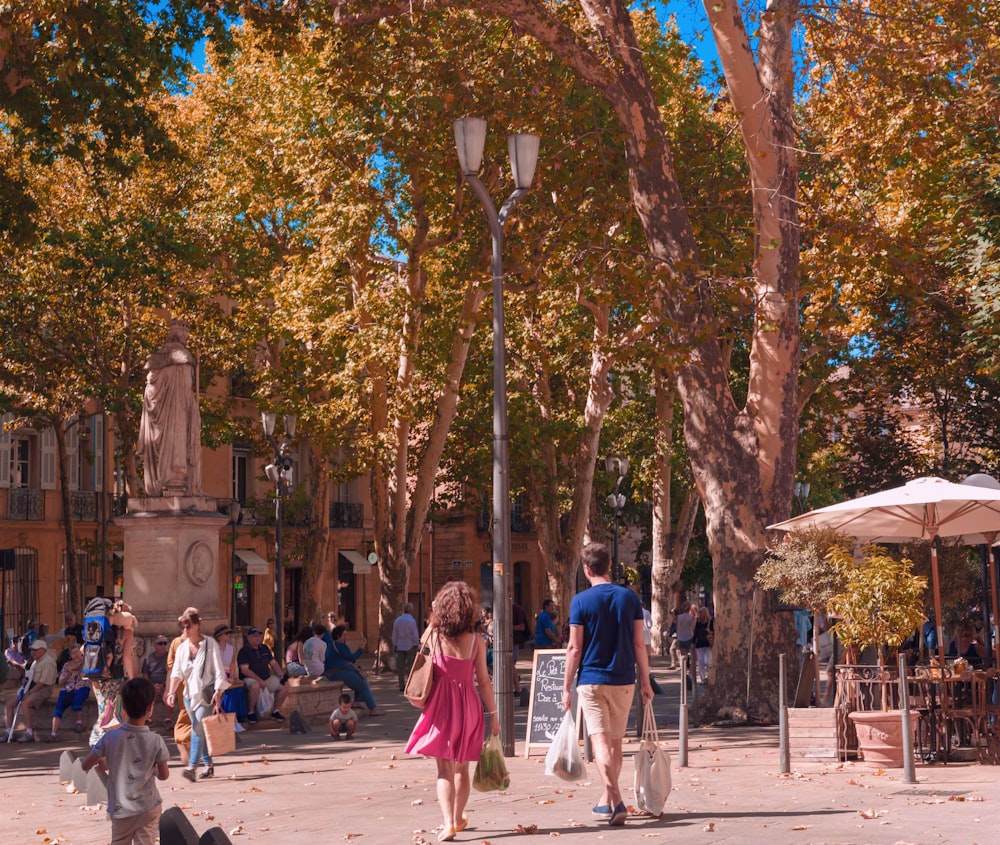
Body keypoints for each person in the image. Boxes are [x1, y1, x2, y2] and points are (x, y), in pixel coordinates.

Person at [562, 542, 652, 828]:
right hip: (624, 679)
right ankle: (607, 799)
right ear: (610, 564)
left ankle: (616, 799)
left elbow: (574, 648)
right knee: (615, 744)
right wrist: (646, 681)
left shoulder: (580, 601)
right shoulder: (630, 599)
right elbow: (640, 643)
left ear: (586, 569)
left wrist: (565, 687)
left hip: (591, 681)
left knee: (599, 742)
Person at [405, 581, 499, 843]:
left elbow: (422, 658)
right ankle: (458, 818)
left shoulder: (432, 635)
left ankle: (447, 823)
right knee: (462, 768)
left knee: (443, 770)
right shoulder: (476, 641)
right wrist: (493, 712)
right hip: (468, 704)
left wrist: (435, 613)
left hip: (440, 705)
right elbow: (484, 680)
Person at [82, 677, 169, 845]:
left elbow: (86, 764)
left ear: (124, 707)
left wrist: (102, 762)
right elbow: (164, 775)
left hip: (120, 808)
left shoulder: (110, 737)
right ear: (150, 707)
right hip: (148, 807)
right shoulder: (156, 740)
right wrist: (153, 769)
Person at [137, 320, 202, 497]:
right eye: (186, 335)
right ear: (179, 336)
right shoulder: (184, 360)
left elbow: (150, 390)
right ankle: (176, 480)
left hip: (161, 419)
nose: (187, 339)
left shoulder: (155, 360)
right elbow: (186, 394)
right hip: (176, 417)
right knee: (175, 453)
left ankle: (164, 481)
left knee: (164, 456)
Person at [165, 607, 227, 782]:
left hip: (205, 695)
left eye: (188, 626)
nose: (185, 630)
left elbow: (219, 670)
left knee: (197, 727)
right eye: (183, 627)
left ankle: (191, 767)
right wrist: (170, 692)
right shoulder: (182, 648)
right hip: (188, 695)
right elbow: (176, 672)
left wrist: (218, 691)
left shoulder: (209, 644)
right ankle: (208, 765)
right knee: (199, 729)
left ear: (197, 625)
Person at [324, 625, 384, 715]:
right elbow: (352, 658)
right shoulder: (340, 646)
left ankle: (356, 702)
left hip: (330, 672)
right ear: (338, 636)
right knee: (363, 684)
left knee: (358, 680)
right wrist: (361, 648)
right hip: (340, 671)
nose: (345, 637)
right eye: (344, 635)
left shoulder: (331, 645)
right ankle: (373, 708)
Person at [7, 639, 58, 742]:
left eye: (35, 650)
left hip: (43, 689)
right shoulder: (34, 661)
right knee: (9, 704)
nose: (33, 652)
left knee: (25, 703)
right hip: (30, 687)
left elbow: (42, 683)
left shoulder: (49, 662)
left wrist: (29, 693)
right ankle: (9, 732)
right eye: (32, 650)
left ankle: (29, 733)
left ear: (43, 650)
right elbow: (28, 675)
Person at [238, 625, 289, 723]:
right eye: (254, 636)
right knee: (255, 685)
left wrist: (282, 675)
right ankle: (251, 713)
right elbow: (245, 670)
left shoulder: (264, 648)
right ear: (248, 637)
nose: (257, 638)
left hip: (266, 678)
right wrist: (259, 680)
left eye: (258, 636)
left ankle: (276, 711)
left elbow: (273, 663)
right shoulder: (244, 651)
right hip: (250, 679)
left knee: (285, 685)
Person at [50, 644, 90, 739]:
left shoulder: (86, 662)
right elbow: (60, 681)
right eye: (73, 653)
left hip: (82, 686)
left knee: (78, 698)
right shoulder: (67, 665)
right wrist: (69, 674)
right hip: (68, 688)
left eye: (77, 652)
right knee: (60, 704)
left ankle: (78, 723)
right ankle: (53, 734)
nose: (76, 654)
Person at [213, 625, 248, 726]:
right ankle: (228, 719)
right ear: (220, 636)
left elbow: (232, 665)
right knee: (230, 691)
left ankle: (235, 718)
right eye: (226, 633)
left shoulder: (231, 648)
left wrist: (231, 677)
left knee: (237, 689)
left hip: (227, 675)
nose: (229, 635)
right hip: (217, 676)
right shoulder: (213, 648)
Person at [392, 603, 421, 693]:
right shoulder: (411, 621)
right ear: (411, 611)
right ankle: (409, 684)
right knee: (411, 666)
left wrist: (395, 644)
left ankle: (401, 685)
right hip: (410, 645)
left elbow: (394, 634)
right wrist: (417, 643)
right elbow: (414, 634)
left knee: (400, 666)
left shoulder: (397, 620)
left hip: (400, 645)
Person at [694, 606, 714, 684]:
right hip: (699, 644)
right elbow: (696, 633)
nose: (700, 614)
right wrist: (693, 642)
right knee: (701, 662)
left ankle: (709, 677)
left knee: (707, 661)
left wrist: (710, 632)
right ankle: (703, 680)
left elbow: (714, 632)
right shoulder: (698, 622)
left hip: (708, 643)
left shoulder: (710, 622)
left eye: (701, 613)